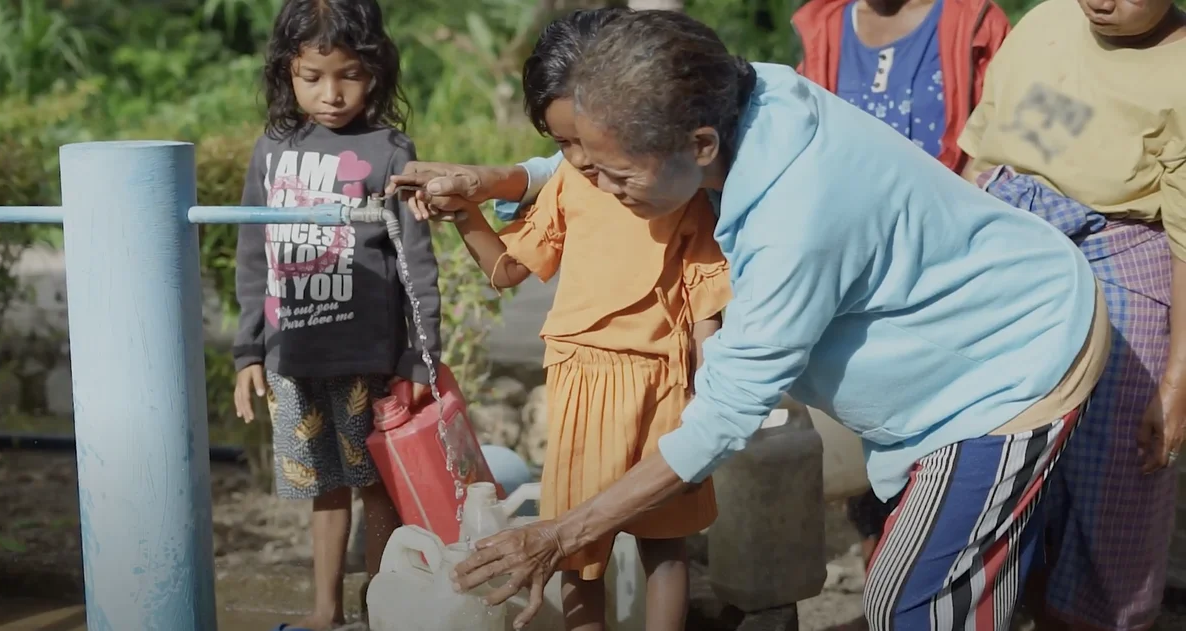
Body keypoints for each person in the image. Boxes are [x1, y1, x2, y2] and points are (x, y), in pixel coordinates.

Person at [389, 10, 1114, 631]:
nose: (596, 186)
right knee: (949, 577)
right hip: (951, 355)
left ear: (699, 146)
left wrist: (560, 534)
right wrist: (495, 180)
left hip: (1011, 366)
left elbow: (719, 420)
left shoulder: (793, 223)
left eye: (614, 176)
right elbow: (592, 158)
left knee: (915, 598)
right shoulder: (738, 90)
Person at [406, 9, 729, 630]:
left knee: (664, 543)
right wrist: (467, 212)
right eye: (564, 145)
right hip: (579, 380)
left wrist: (703, 394)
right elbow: (507, 271)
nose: (580, 159)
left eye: (584, 138)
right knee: (576, 551)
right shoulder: (569, 187)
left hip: (661, 384)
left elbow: (704, 297)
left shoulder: (675, 187)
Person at [957, 0, 1186, 629]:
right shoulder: (1047, 22)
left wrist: (1174, 383)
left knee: (1114, 480)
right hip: (1009, 250)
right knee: (1010, 468)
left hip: (1119, 267)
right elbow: (982, 156)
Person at [229, 0, 441, 628]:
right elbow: (251, 252)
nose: (331, 94)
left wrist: (421, 354)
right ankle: (324, 613)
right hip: (292, 355)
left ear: (374, 72)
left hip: (367, 358)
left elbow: (417, 263)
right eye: (311, 77)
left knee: (377, 484)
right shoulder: (272, 148)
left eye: (348, 74)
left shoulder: (391, 151)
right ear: (286, 74)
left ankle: (381, 608)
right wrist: (247, 351)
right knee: (324, 486)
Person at [792, 0, 1010, 571]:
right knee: (866, 419)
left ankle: (931, 580)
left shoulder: (972, 22)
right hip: (849, 262)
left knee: (940, 424)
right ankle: (882, 591)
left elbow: (999, 136)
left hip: (943, 257)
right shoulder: (825, 25)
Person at [793, 0, 1009, 172]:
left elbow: (1008, 124)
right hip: (852, 214)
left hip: (950, 211)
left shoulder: (975, 22)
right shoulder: (823, 30)